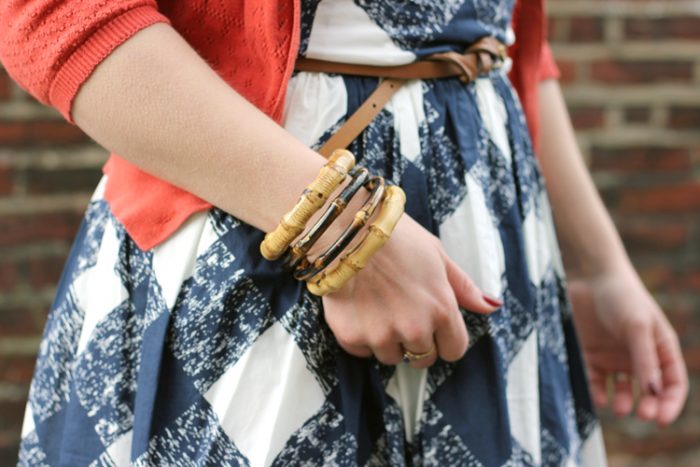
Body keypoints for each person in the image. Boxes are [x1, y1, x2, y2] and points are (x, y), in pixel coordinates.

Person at [1, 0, 688, 465]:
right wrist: (343, 231)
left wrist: (599, 266)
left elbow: (499, 49)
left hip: (496, 247)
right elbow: (61, 15)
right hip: (256, 245)